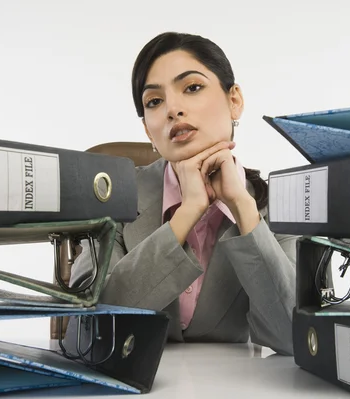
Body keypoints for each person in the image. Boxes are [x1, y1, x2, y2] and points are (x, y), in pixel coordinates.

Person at [68, 31, 297, 356]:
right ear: (148, 129)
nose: (173, 109)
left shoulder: (280, 204)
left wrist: (244, 209)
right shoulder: (112, 196)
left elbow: (295, 336)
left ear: (234, 101)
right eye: (155, 101)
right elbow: (89, 326)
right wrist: (187, 214)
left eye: (192, 88)